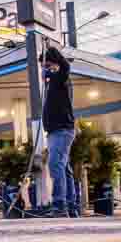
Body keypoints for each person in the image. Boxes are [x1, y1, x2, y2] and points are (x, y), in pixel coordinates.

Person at [42, 46, 77, 218]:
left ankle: (59, 206)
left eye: (49, 65)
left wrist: (50, 50)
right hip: (55, 131)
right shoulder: (53, 82)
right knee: (64, 168)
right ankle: (71, 206)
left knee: (55, 165)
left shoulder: (62, 78)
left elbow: (65, 66)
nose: (47, 69)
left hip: (61, 130)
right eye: (45, 67)